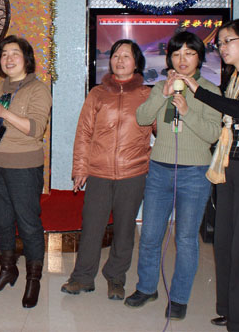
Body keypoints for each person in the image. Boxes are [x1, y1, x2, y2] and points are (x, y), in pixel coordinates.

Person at [176, 19, 239, 331]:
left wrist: (196, 88)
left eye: (227, 41)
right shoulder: (233, 77)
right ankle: (229, 309)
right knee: (224, 243)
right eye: (219, 43)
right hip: (229, 165)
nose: (221, 48)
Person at [124, 31, 222, 320]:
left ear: (199, 58)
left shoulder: (210, 91)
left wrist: (187, 111)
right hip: (159, 170)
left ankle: (178, 298)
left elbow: (213, 134)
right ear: (169, 58)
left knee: (186, 239)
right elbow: (142, 118)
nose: (182, 60)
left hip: (195, 173)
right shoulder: (161, 86)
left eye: (189, 54)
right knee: (150, 235)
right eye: (177, 54)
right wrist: (163, 95)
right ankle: (146, 288)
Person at [61, 40, 152, 301]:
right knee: (92, 226)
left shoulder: (147, 95)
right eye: (115, 55)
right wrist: (80, 168)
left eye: (126, 56)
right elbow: (84, 133)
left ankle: (116, 277)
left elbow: (163, 131)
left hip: (133, 172)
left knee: (124, 229)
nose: (120, 60)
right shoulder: (97, 94)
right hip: (99, 172)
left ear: (137, 63)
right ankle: (82, 277)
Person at [0, 35, 52, 308]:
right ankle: (8, 269)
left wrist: (3, 113)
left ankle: (33, 279)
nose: (8, 59)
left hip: (24, 165)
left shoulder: (38, 89)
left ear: (26, 59)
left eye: (14, 53)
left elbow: (36, 129)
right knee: (0, 221)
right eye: (4, 54)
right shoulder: (0, 87)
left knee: (28, 223)